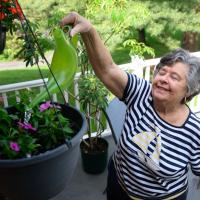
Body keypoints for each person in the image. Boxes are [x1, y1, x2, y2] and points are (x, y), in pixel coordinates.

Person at [60, 12, 200, 200]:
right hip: (119, 184)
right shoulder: (141, 93)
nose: (163, 79)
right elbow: (107, 70)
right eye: (162, 72)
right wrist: (89, 31)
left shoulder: (194, 131)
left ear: (188, 91)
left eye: (174, 77)